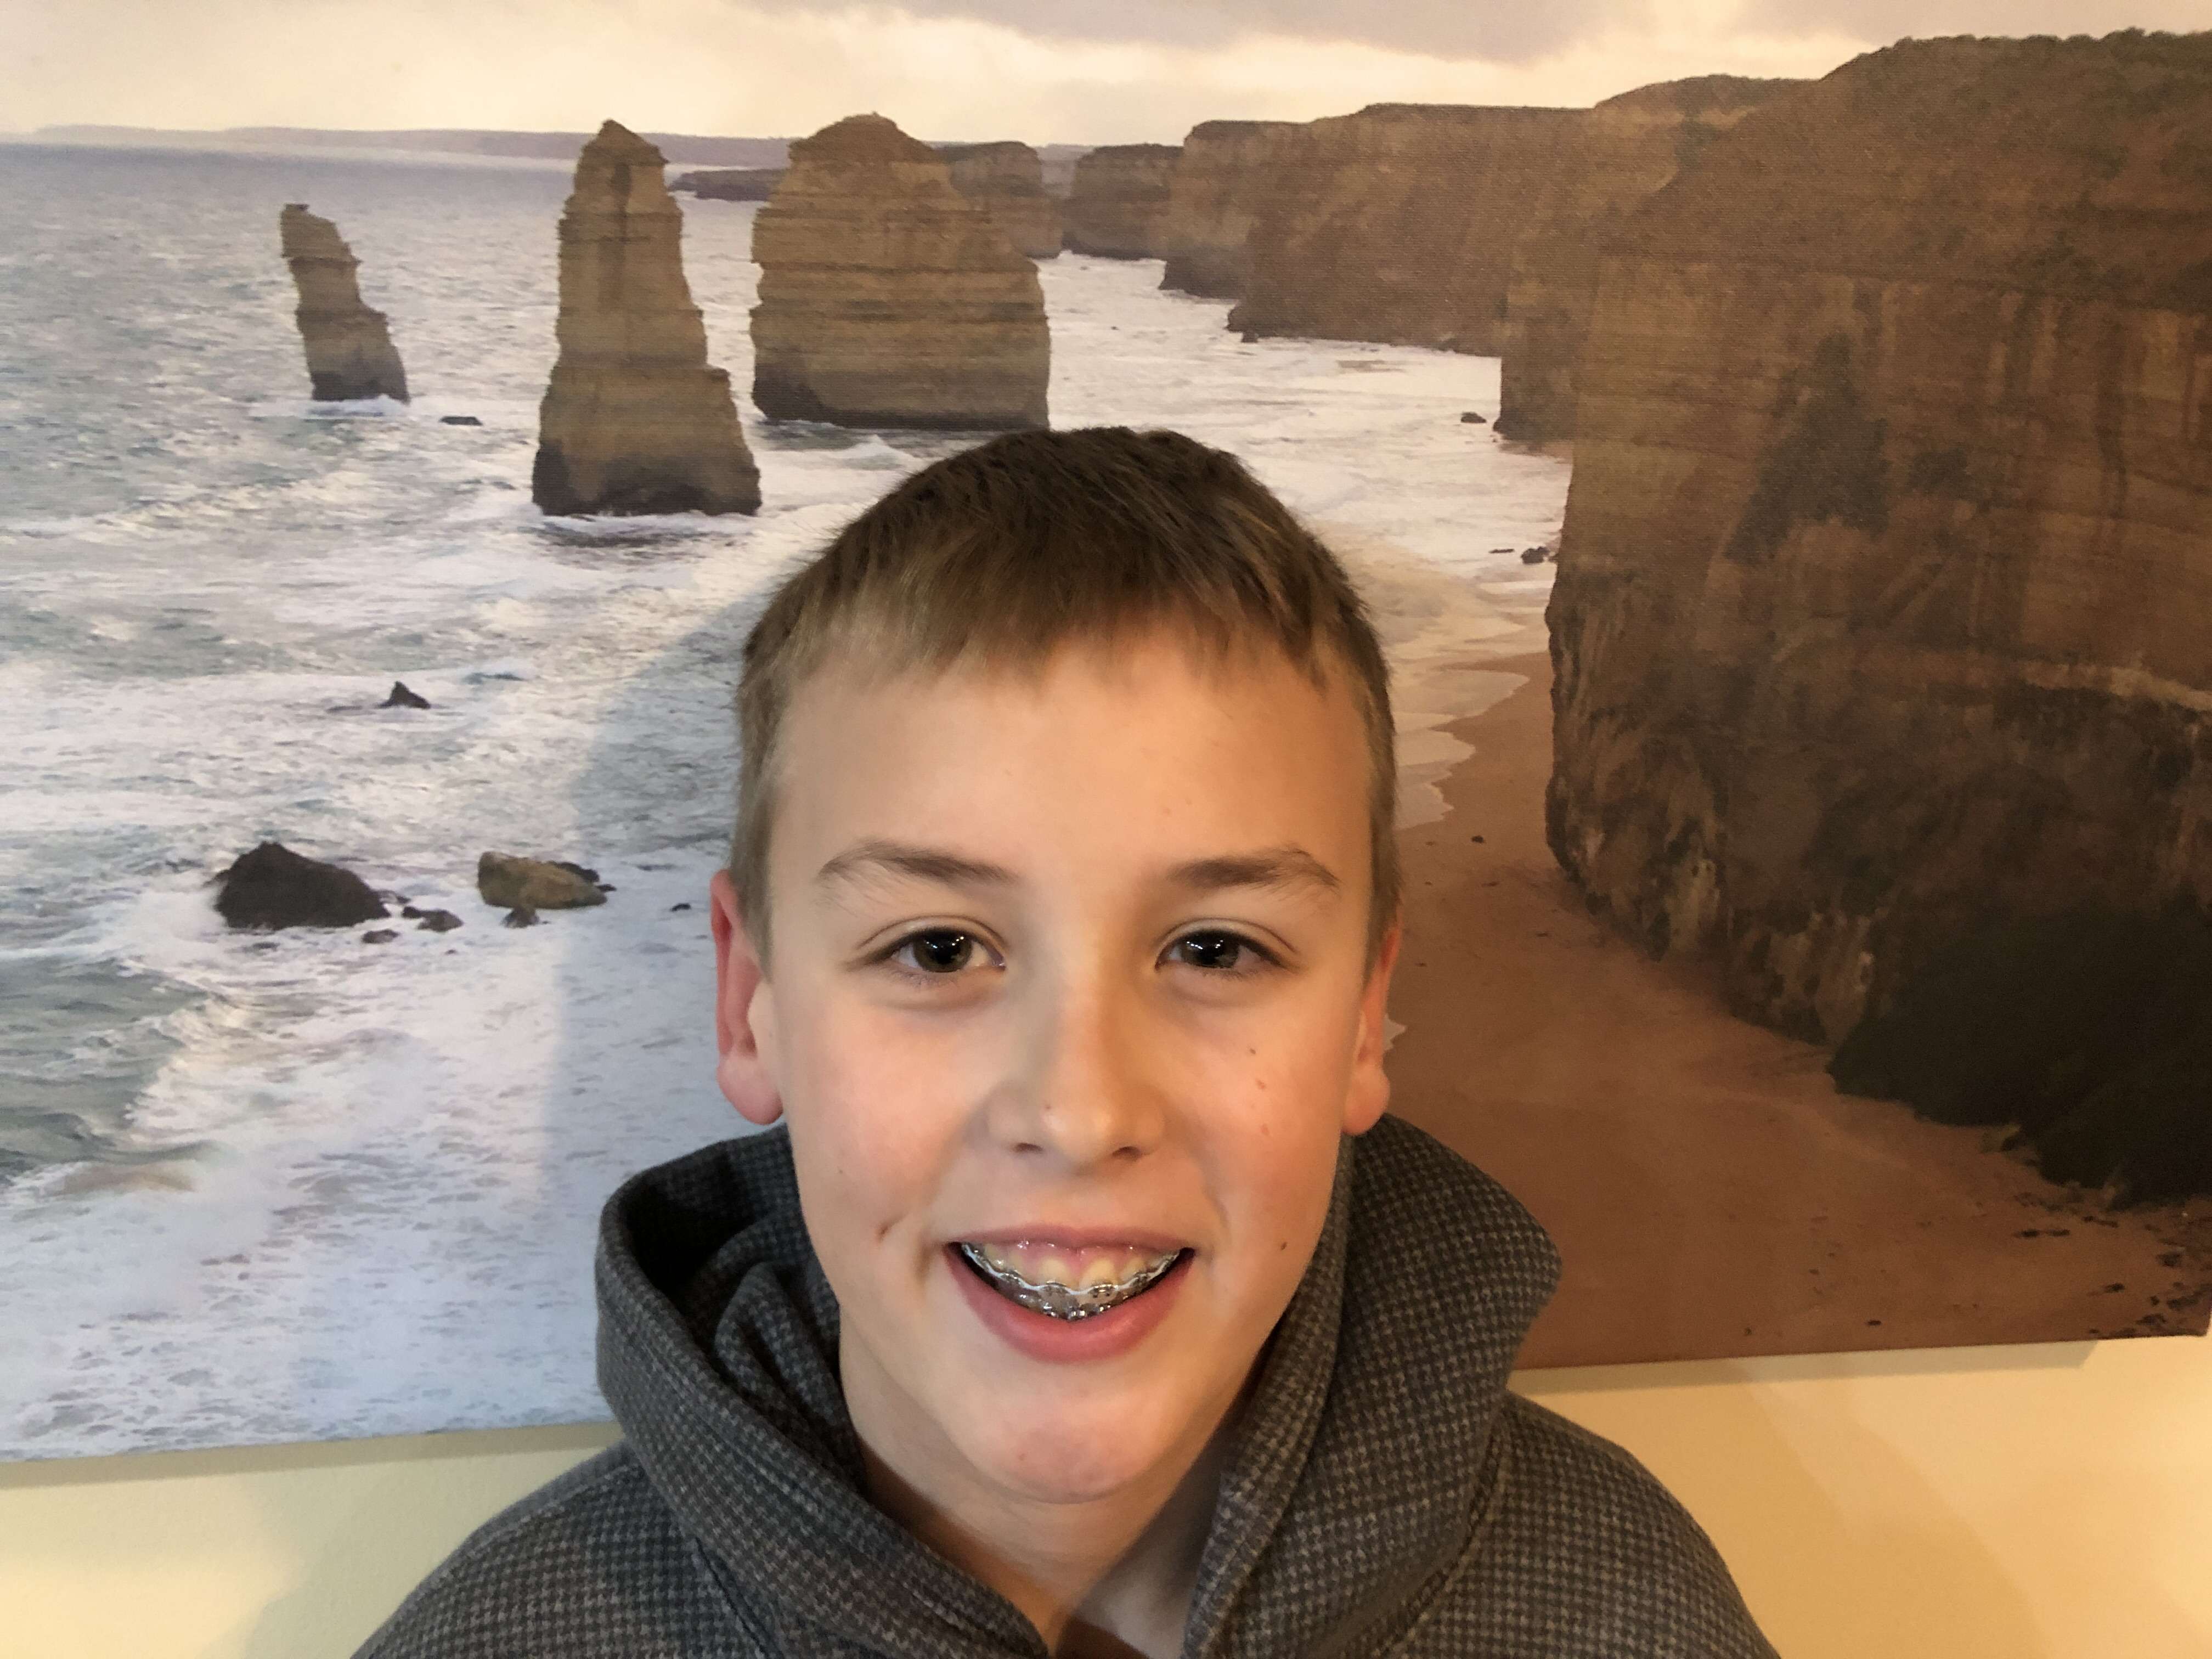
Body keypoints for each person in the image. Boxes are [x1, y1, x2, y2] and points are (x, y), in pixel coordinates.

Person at [357, 427, 1778, 1658]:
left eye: (1214, 950)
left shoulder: (1631, 1615)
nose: (1082, 1110)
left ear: (1361, 1021)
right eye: (938, 950)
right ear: (750, 1005)